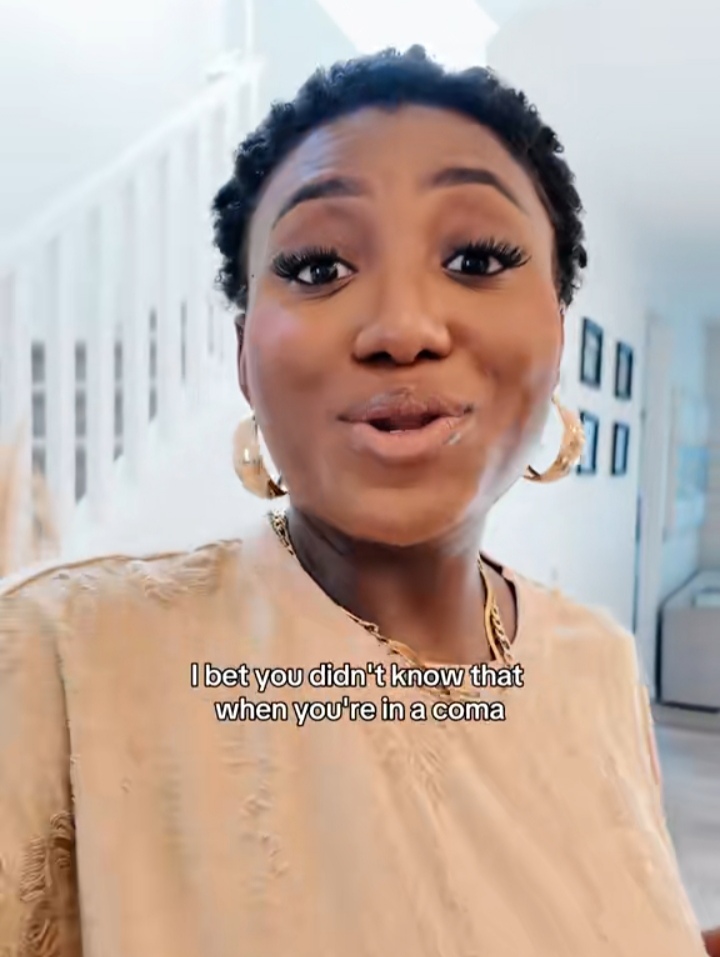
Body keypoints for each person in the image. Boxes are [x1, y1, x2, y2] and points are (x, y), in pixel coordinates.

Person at [0, 46, 717, 957]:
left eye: (476, 256)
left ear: (557, 334)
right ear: (244, 357)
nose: (402, 329)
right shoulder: (57, 661)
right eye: (315, 267)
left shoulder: (602, 664)